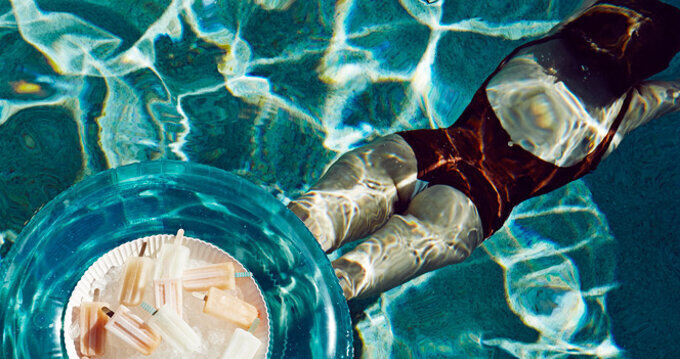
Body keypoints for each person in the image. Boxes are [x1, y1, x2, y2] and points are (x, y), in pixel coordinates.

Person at [288, 0, 680, 300]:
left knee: (301, 227)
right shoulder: (627, 110)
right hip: (474, 206)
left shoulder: (560, 37)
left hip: (430, 150)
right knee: (339, 284)